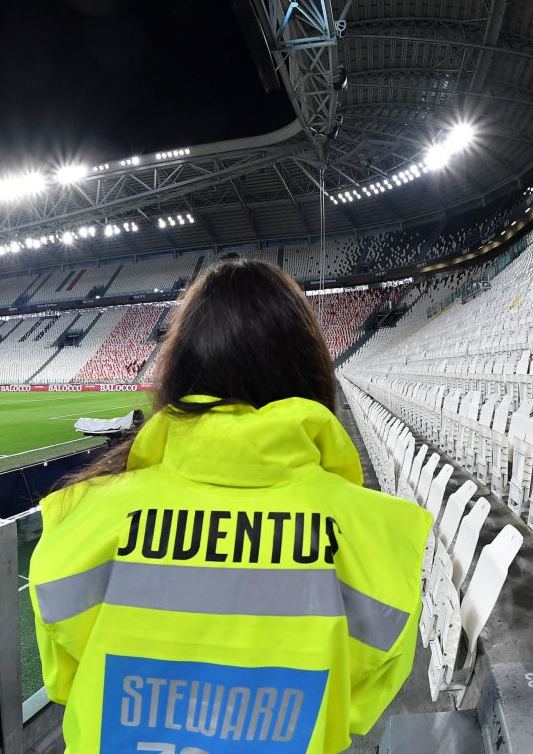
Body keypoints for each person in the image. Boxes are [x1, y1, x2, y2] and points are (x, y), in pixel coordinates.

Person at [29, 260, 431, 754]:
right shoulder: (378, 534)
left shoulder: (80, 515)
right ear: (309, 369)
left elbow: (64, 681)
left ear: (178, 371)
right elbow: (357, 707)